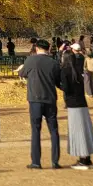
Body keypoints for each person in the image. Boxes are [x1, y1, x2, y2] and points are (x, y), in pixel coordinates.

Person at [18, 39, 61, 170]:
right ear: (48, 49)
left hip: (35, 99)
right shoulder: (54, 63)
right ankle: (55, 161)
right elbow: (59, 82)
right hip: (50, 99)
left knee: (36, 130)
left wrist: (23, 70)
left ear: (36, 48)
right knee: (53, 130)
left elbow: (22, 73)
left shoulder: (30, 61)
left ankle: (36, 162)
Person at [60, 43, 93, 170]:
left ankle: (83, 160)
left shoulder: (66, 71)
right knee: (85, 129)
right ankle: (86, 158)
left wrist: (57, 84)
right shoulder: (77, 70)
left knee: (78, 130)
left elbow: (65, 88)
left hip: (73, 104)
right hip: (82, 103)